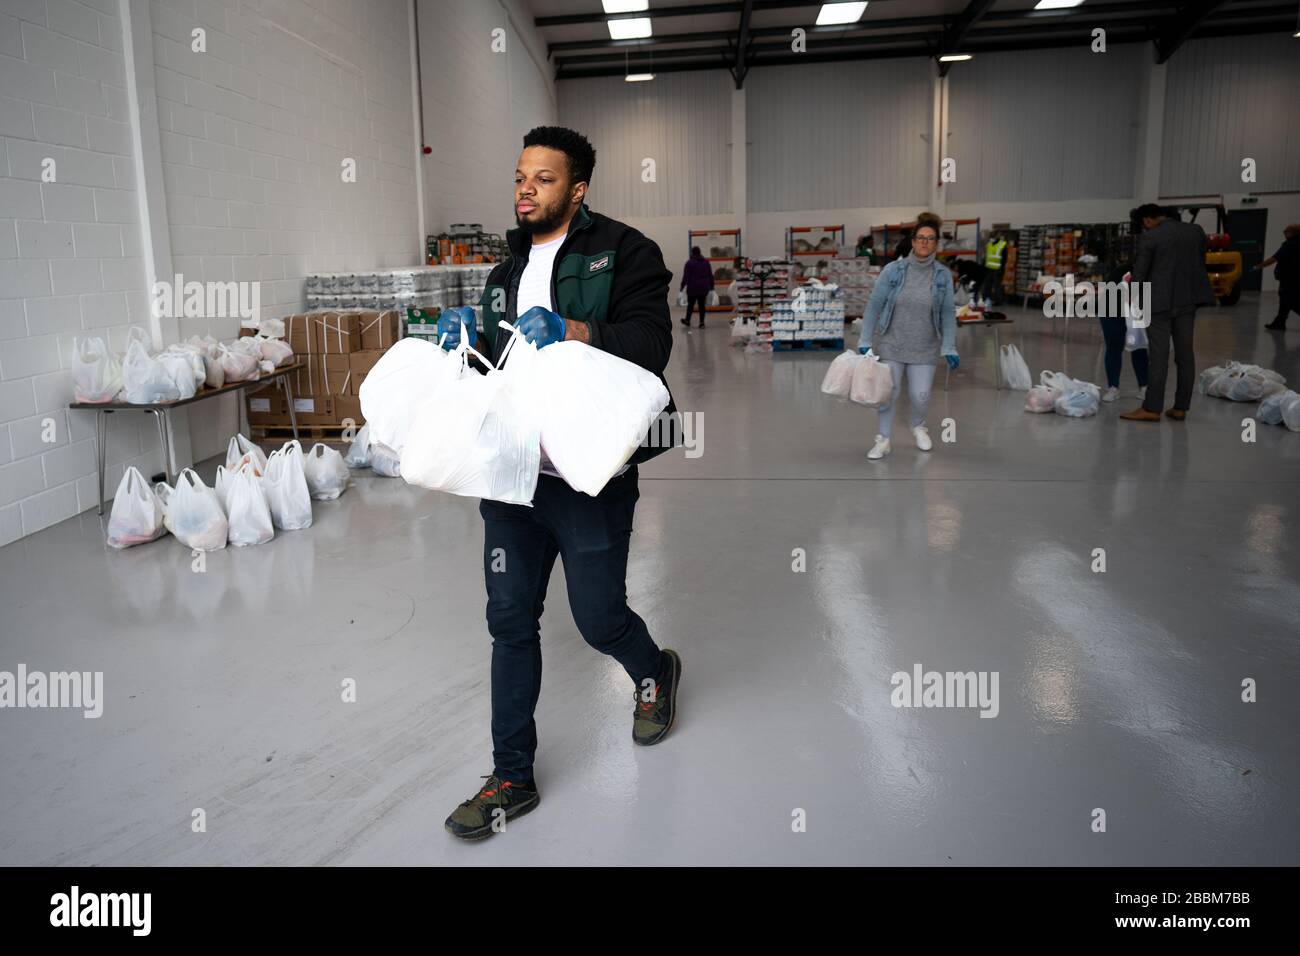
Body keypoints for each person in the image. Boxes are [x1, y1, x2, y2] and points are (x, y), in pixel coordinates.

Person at [434, 126, 683, 840]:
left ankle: (654, 671)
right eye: (519, 177)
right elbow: (497, 354)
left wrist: (574, 327)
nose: (525, 190)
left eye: (543, 180)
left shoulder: (627, 251)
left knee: (598, 617)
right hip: (513, 471)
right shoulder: (503, 268)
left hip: (587, 472)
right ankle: (512, 776)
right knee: (509, 620)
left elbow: (651, 342)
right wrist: (466, 339)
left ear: (577, 190)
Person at [857, 212, 959, 460]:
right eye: (920, 237)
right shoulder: (893, 271)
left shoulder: (942, 275)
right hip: (892, 342)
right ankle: (883, 439)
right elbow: (874, 306)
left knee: (920, 395)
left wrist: (949, 347)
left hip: (925, 346)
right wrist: (865, 341)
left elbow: (947, 314)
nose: (925, 242)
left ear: (936, 243)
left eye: (930, 238)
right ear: (913, 241)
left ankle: (918, 425)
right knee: (888, 394)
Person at [1120, 204, 1214, 422]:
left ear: (1147, 220)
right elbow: (1201, 261)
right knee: (1185, 354)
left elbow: (1140, 273)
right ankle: (1181, 407)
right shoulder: (1196, 231)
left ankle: (1152, 409)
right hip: (1188, 300)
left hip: (1158, 303)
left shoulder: (1151, 237)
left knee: (1159, 357)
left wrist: (1133, 300)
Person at [1098, 261, 1148, 403]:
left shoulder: (1155, 273)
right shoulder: (1125, 271)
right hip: (1110, 308)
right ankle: (1113, 387)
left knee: (1138, 347)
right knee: (1114, 346)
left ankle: (1144, 386)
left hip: (1135, 308)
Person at [1256, 223, 1299, 331]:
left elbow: (1275, 258)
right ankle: (1279, 322)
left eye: (1286, 231)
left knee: (1290, 301)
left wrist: (1259, 266)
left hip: (1289, 278)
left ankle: (1279, 322)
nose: (1284, 233)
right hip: (1294, 277)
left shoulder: (1289, 245)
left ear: (1293, 233)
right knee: (1285, 301)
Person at [680, 246, 714, 329]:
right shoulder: (706, 262)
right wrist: (712, 286)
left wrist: (682, 286)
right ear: (700, 252)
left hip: (692, 288)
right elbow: (710, 275)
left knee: (691, 305)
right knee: (702, 305)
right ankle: (701, 322)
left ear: (692, 253)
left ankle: (687, 320)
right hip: (703, 288)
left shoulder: (689, 263)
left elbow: (686, 276)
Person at [978, 229, 1007, 305]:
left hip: (998, 269)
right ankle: (985, 298)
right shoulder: (989, 244)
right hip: (988, 268)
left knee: (997, 286)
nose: (992, 237)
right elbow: (986, 256)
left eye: (993, 236)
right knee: (987, 285)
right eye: (991, 236)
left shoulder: (1002, 244)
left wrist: (1002, 268)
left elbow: (1004, 258)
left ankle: (998, 301)